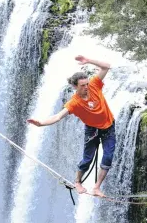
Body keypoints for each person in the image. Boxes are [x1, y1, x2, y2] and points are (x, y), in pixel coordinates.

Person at [27, 55, 116, 197]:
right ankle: (78, 182)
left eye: (87, 84)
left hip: (109, 127)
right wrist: (41, 123)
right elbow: (58, 116)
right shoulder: (74, 103)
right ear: (75, 86)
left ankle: (97, 187)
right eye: (82, 85)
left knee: (108, 157)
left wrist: (89, 60)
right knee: (87, 159)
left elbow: (106, 66)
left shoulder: (94, 85)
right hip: (92, 130)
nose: (86, 87)